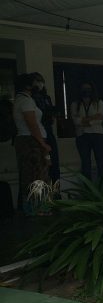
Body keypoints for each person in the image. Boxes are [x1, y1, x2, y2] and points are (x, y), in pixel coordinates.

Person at [12, 73, 51, 215]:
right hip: (31, 141)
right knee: (36, 175)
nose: (39, 85)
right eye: (36, 82)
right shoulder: (25, 101)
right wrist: (43, 144)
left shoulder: (25, 99)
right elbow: (32, 124)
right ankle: (37, 209)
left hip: (29, 140)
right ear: (28, 85)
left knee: (32, 175)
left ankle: (33, 208)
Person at [71, 82, 103, 180]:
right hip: (82, 135)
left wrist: (84, 120)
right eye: (84, 88)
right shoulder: (75, 104)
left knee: (101, 161)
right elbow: (75, 121)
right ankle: (87, 188)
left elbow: (100, 119)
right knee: (85, 163)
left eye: (88, 88)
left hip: (98, 135)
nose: (86, 91)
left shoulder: (99, 102)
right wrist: (92, 118)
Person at [31, 72, 60, 182]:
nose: (39, 84)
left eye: (40, 81)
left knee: (53, 162)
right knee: (41, 164)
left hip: (48, 131)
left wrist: (52, 113)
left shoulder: (46, 98)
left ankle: (56, 194)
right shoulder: (29, 98)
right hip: (37, 134)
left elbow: (50, 115)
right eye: (36, 81)